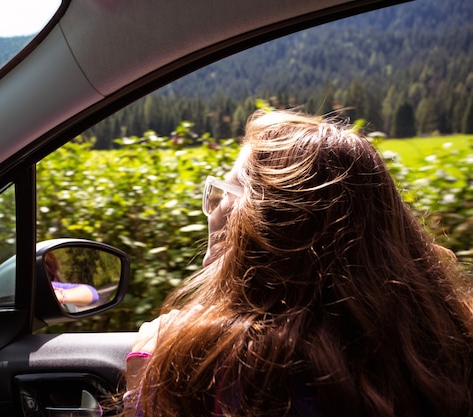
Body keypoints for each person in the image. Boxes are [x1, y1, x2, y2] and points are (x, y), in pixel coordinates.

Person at [123, 110, 473, 417]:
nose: (214, 210)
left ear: (258, 224)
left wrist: (145, 380)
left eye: (226, 192)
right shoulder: (450, 345)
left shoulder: (226, 374)